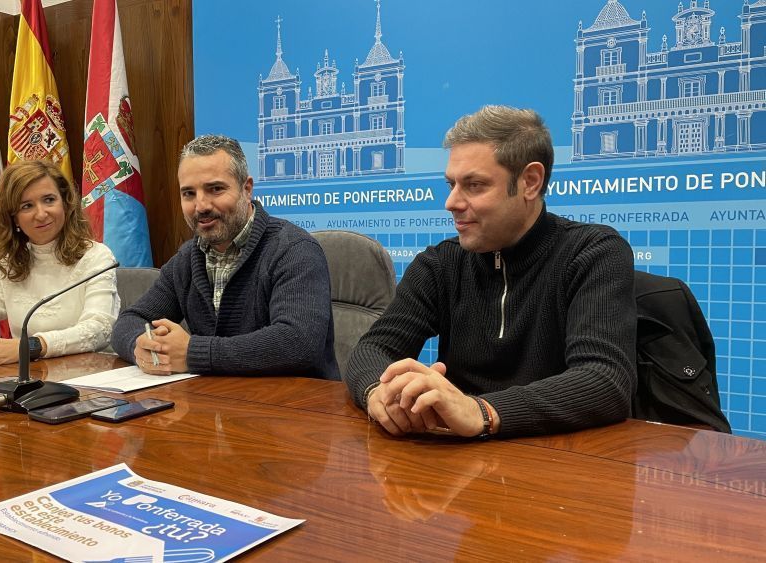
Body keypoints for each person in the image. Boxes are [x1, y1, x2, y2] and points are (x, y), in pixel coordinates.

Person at [345, 105, 637, 438]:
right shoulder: (440, 263)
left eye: (474, 185)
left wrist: (482, 411)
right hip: (456, 463)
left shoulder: (594, 253)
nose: (451, 202)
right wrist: (377, 393)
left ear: (529, 182)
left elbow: (604, 380)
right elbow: (372, 350)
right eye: (451, 184)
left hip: (559, 462)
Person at [110, 134, 339, 379]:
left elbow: (298, 343)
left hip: (296, 408)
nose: (201, 205)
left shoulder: (294, 249)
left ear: (246, 189)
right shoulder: (187, 258)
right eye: (188, 193)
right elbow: (130, 321)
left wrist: (193, 353)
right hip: (218, 404)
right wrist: (143, 347)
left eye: (215, 189)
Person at [0, 159, 119, 366]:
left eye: (49, 200)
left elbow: (99, 329)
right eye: (27, 206)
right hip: (26, 378)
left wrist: (30, 347)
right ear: (14, 218)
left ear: (65, 203)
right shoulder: (10, 262)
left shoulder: (96, 257)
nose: (41, 213)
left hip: (87, 379)